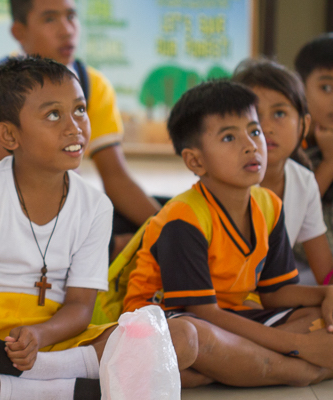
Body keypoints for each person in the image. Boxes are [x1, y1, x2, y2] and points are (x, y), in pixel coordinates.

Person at [0, 56, 200, 400]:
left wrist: (40, 335)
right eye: (54, 115)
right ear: (9, 134)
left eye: (80, 110)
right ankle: (69, 388)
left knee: (180, 338)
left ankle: (18, 384)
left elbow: (81, 307)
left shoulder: (96, 207)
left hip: (52, 341)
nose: (75, 127)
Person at [123, 80, 333, 387]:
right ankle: (298, 370)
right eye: (229, 137)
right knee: (196, 338)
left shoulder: (269, 205)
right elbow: (204, 314)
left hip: (232, 314)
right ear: (195, 161)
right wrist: (293, 345)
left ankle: (233, 366)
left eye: (254, 130)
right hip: (169, 320)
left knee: (316, 314)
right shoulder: (184, 217)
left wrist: (327, 292)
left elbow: (275, 293)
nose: (250, 145)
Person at [0, 0, 159, 255]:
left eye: (72, 16)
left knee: (149, 216)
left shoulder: (93, 85)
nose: (66, 30)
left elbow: (116, 177)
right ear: (19, 32)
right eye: (50, 19)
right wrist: (49, 162)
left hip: (48, 207)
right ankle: (110, 248)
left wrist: (172, 229)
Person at [233, 59, 333, 285]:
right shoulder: (228, 182)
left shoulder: (304, 181)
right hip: (220, 300)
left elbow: (325, 272)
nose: (265, 127)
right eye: (254, 115)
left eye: (279, 113)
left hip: (267, 299)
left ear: (303, 126)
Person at [295, 34, 333, 252]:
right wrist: (329, 162)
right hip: (304, 261)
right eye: (326, 88)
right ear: (301, 88)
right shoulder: (291, 143)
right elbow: (294, 217)